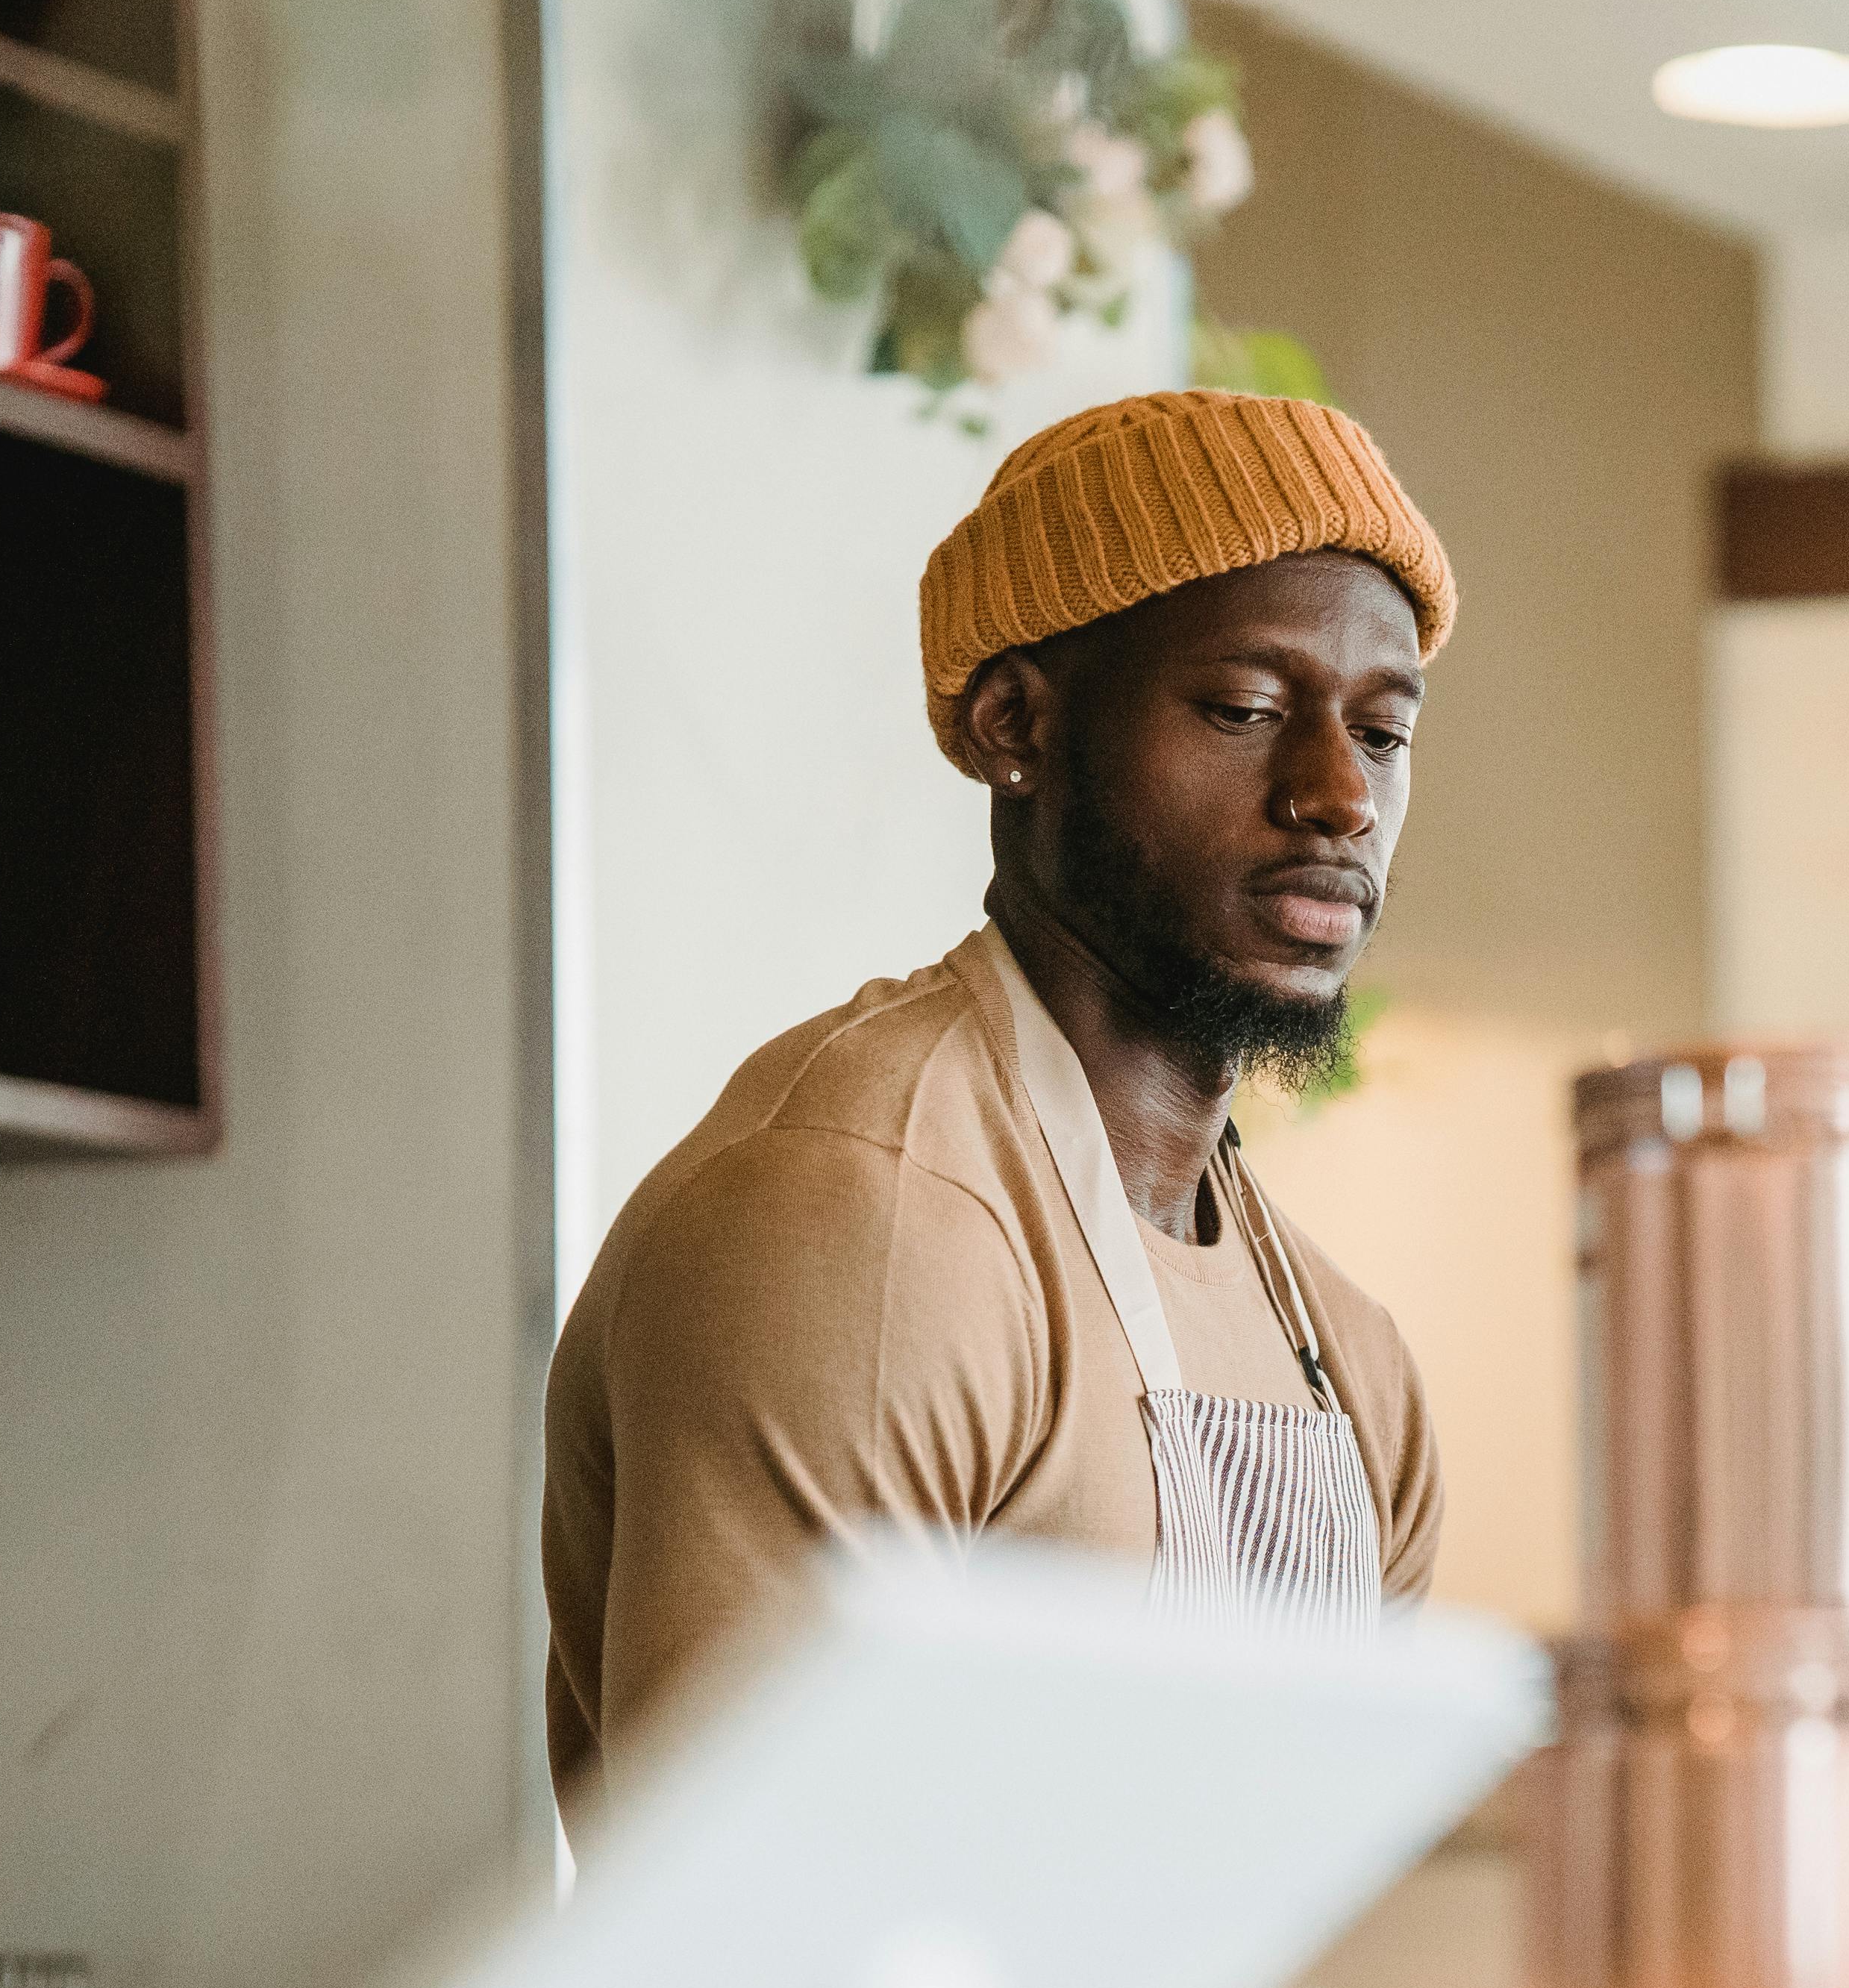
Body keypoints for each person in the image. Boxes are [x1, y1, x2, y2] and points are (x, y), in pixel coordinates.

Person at [542, 390, 1456, 1825]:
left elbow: (1289, 1923)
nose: (1337, 793)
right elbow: (744, 1940)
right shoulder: (859, 1217)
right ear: (1015, 726)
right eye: (1246, 709)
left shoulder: (1350, 1361)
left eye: (1384, 734)